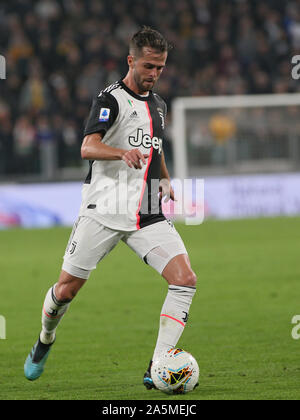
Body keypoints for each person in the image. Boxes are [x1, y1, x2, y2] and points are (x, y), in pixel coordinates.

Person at [24, 26, 197, 389]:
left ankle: (158, 364)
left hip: (146, 211)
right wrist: (121, 153)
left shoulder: (159, 106)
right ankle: (45, 339)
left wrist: (164, 179)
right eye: (149, 66)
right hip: (103, 207)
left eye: (161, 68)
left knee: (184, 281)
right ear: (131, 60)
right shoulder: (110, 100)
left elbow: (156, 147)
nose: (154, 75)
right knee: (66, 290)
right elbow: (88, 146)